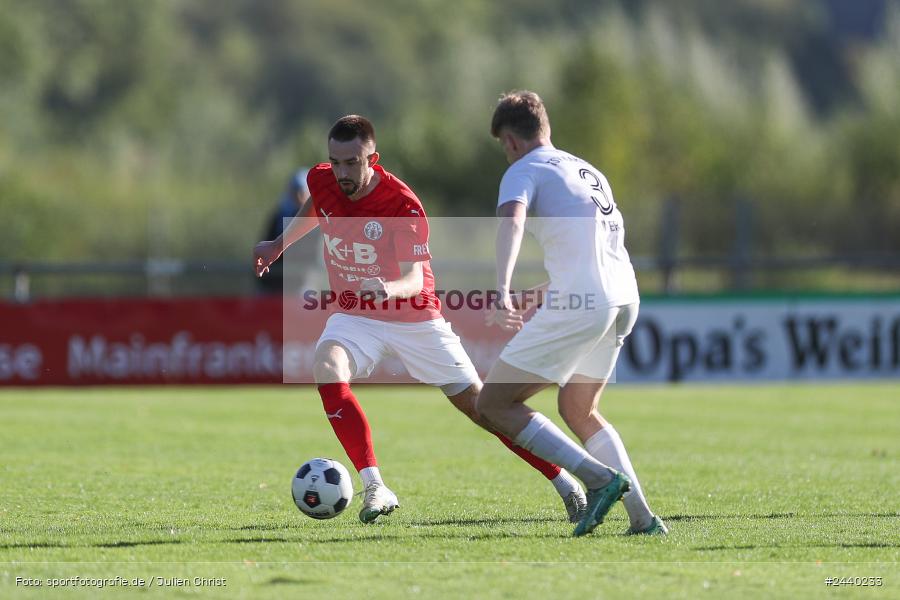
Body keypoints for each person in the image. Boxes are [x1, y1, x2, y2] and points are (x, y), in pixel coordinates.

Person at [254, 115, 587, 524]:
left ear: (373, 159)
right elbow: (317, 207)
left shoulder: (402, 204)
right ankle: (375, 487)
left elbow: (414, 278)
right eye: (335, 162)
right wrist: (278, 245)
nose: (341, 172)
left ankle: (566, 482)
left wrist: (387, 288)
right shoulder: (322, 180)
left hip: (415, 318)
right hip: (355, 315)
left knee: (486, 409)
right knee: (326, 366)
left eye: (352, 163)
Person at [477, 91, 667, 537]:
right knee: (579, 408)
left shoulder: (523, 169)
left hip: (586, 304)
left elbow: (512, 221)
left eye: (504, 145)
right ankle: (642, 519)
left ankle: (598, 480)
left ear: (510, 141)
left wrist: (502, 288)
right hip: (623, 298)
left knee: (494, 403)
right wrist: (539, 292)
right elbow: (598, 252)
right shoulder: (587, 171)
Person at [256, 168, 321, 295]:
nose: (298, 195)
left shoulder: (315, 220)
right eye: (295, 190)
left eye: (301, 191)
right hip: (273, 282)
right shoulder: (280, 215)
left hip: (301, 282)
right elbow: (267, 242)